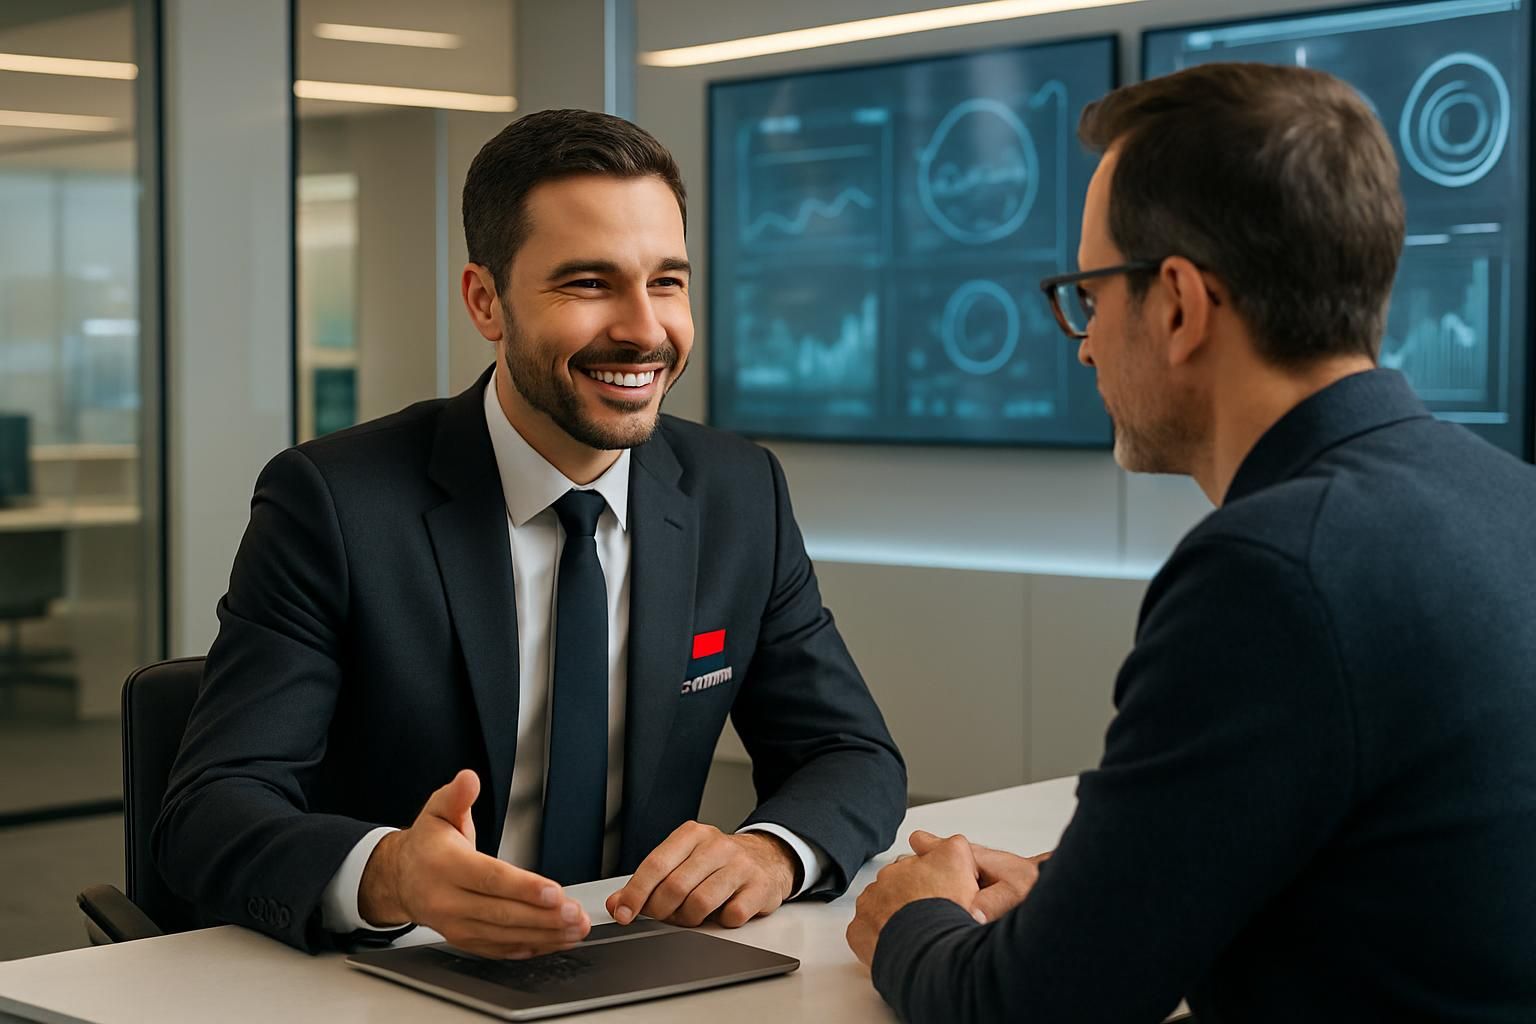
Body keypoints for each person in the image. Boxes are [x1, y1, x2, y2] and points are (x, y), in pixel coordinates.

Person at [846, 62, 1536, 1022]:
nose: (1084, 344)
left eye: (1089, 296)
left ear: (1178, 304)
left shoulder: (1273, 570)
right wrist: (1085, 892)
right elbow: (1384, 870)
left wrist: (912, 921)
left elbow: (1026, 1010)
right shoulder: (1511, 498)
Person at [155, 109, 905, 957]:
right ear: (486, 300)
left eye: (667, 282)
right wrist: (392, 873)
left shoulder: (739, 494)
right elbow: (209, 810)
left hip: (640, 964)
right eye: (589, 284)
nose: (645, 330)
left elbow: (851, 754)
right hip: (405, 972)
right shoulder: (333, 502)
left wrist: (770, 854)